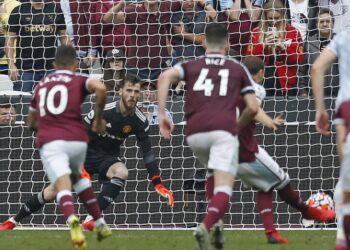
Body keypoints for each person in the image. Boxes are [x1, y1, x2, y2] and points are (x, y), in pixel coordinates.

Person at [0, 74, 174, 232]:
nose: (132, 95)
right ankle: (13, 221)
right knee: (52, 191)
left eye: (137, 91)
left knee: (122, 171)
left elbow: (147, 151)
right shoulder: (104, 110)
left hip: (108, 158)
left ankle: (91, 219)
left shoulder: (140, 120)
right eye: (129, 90)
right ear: (120, 91)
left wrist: (157, 182)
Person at [157, 23, 260, 250]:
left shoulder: (192, 65)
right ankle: (205, 226)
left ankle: (218, 224)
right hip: (222, 129)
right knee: (224, 186)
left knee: (211, 171)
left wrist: (162, 113)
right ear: (227, 44)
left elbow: (164, 77)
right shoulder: (237, 67)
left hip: (194, 133)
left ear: (203, 42)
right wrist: (235, 126)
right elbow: (252, 107)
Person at [236, 56, 336, 245]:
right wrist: (270, 121)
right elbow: (253, 109)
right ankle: (309, 212)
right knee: (283, 180)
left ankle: (270, 232)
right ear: (261, 73)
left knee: (262, 185)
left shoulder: (232, 86)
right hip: (242, 146)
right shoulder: (256, 88)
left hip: (219, 145)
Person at [27, 45, 110, 248]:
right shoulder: (79, 79)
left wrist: (43, 122)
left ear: (54, 65)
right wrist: (98, 119)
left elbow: (31, 122)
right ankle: (100, 223)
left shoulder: (41, 84)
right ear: (75, 63)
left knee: (61, 182)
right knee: (79, 179)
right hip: (77, 139)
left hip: (51, 140)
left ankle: (72, 218)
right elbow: (101, 88)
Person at [311, 24, 350, 250]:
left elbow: (316, 68)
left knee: (345, 181)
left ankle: (342, 239)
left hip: (346, 108)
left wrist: (320, 109)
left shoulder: (343, 37)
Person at [103, 0, 182, 80]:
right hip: (136, 69)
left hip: (161, 67)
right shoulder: (133, 12)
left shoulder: (167, 7)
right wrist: (121, 4)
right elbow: (107, 19)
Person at [6, 0, 71, 92]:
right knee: (22, 103)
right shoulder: (19, 10)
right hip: (25, 70)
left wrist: (69, 60)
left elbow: (64, 37)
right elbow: (9, 40)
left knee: (52, 102)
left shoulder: (55, 10)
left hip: (51, 68)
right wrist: (11, 65)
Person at [246, 0, 304, 96]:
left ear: (282, 16)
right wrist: (263, 46)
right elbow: (249, 60)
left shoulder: (293, 32)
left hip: (287, 84)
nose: (274, 22)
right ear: (265, 16)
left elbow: (299, 59)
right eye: (270, 18)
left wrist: (283, 48)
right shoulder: (256, 33)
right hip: (262, 82)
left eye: (277, 18)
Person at [298, 8, 339, 96]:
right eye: (321, 22)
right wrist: (302, 92)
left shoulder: (340, 42)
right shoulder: (308, 44)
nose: (325, 24)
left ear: (333, 24)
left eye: (328, 21)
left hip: (336, 95)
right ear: (316, 24)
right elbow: (300, 70)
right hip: (313, 95)